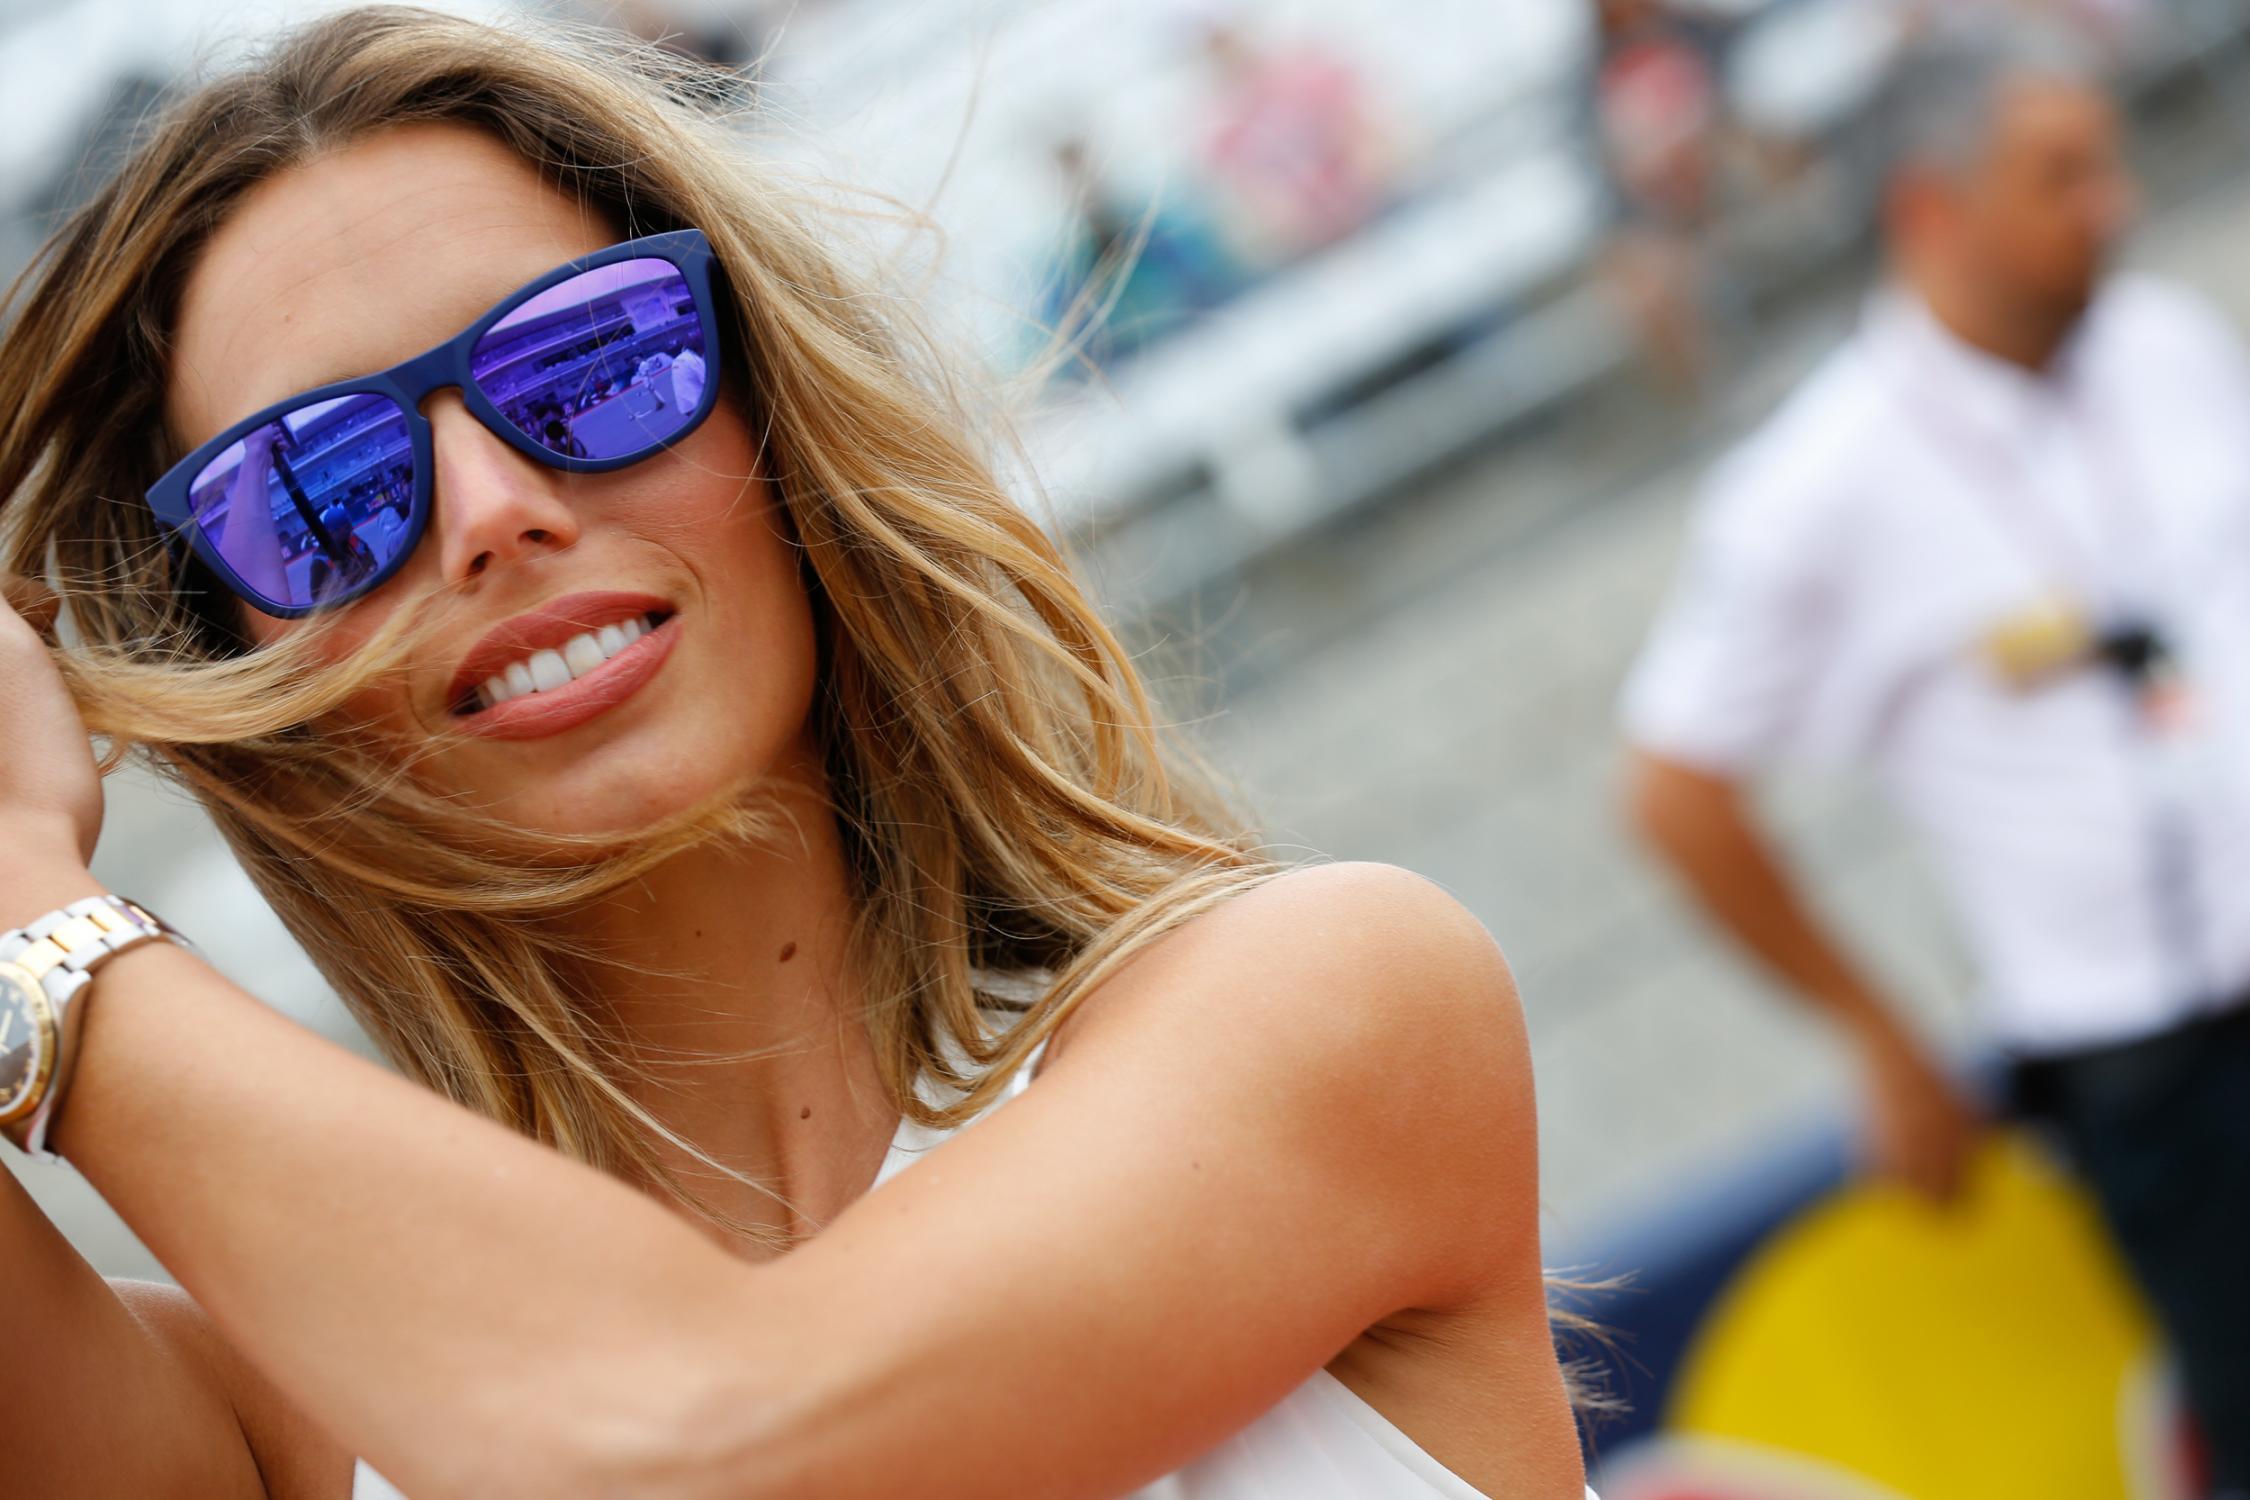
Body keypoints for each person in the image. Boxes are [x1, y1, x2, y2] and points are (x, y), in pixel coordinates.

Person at [0, 8, 1595, 1499]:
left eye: (590, 361)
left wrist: (39, 931)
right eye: (320, 491)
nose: (493, 512)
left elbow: (709, 1444)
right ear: (225, 650)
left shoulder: (1328, 1005)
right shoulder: (298, 1410)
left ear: (780, 415)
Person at [1618, 19, 2249, 1492]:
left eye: (2102, 164)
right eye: (2061, 175)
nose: (2111, 202)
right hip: (2143, 1054)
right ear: (1928, 205)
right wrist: (1877, 1035)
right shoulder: (1811, 488)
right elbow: (1675, 793)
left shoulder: (2164, 344)